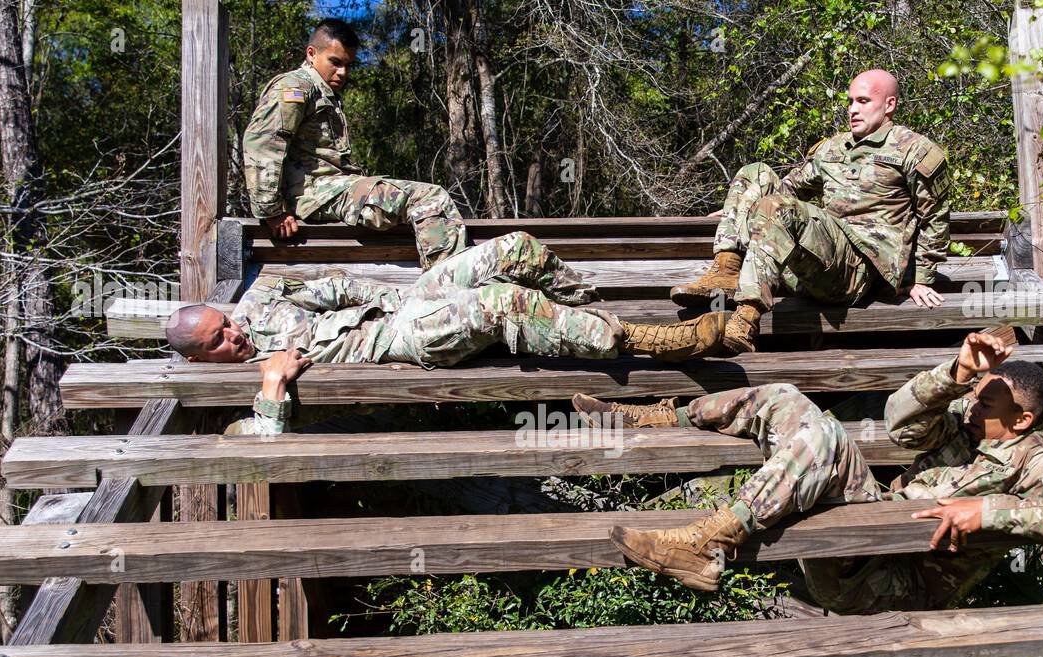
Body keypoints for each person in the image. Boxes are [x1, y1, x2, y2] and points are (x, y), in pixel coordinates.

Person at [572, 331, 1043, 613]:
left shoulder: (1039, 458)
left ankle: (707, 541)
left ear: (1024, 419)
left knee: (823, 438)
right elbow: (899, 420)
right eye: (974, 398)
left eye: (985, 404)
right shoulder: (961, 429)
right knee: (786, 398)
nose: (971, 408)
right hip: (870, 523)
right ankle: (665, 415)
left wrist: (986, 510)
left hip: (891, 579)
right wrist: (958, 373)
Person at [166, 231, 724, 435]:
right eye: (218, 340)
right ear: (197, 361)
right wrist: (272, 390)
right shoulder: (242, 392)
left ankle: (586, 314)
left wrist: (402, 294)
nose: (234, 334)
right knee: (503, 304)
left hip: (405, 305)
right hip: (400, 344)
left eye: (227, 324)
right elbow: (257, 451)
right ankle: (641, 339)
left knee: (518, 247)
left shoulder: (258, 302)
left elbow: (333, 287)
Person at [671, 69, 950, 354]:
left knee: (777, 207)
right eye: (850, 101)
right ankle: (726, 272)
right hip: (814, 262)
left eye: (863, 101)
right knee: (754, 173)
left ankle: (744, 323)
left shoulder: (913, 150)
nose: (852, 109)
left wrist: (920, 279)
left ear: (889, 104)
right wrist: (739, 208)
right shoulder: (833, 147)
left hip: (853, 271)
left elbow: (934, 218)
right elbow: (789, 188)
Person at [244, 18, 467, 269]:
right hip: (319, 194)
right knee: (430, 197)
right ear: (311, 54)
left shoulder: (322, 92)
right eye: (335, 63)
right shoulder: (295, 86)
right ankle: (448, 287)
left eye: (348, 65)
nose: (343, 73)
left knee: (422, 203)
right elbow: (264, 142)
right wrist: (271, 211)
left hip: (332, 189)